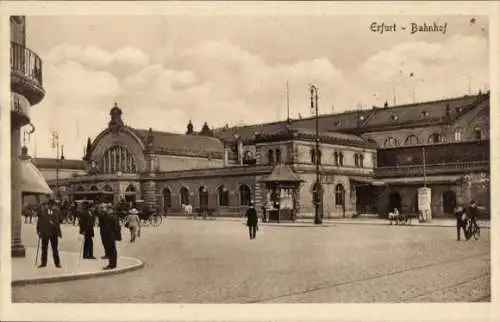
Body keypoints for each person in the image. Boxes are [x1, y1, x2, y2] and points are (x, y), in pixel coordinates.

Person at [36, 199, 62, 268]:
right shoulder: (49, 211)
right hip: (48, 233)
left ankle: (54, 263)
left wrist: (38, 230)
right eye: (53, 205)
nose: (53, 206)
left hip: (51, 233)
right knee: (47, 248)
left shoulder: (54, 211)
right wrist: (39, 230)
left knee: (52, 249)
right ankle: (52, 263)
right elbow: (40, 221)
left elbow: (57, 223)